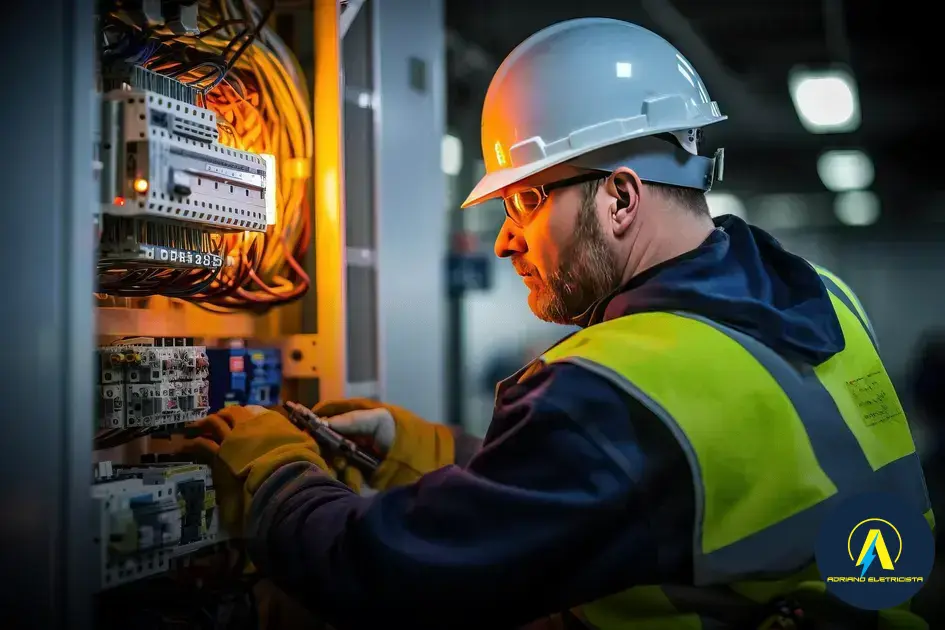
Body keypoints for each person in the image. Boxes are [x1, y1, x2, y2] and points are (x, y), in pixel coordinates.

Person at [185, 18, 931, 629]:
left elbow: (386, 578)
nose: (505, 238)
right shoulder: (818, 296)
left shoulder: (616, 390)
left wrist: (276, 475)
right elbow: (675, 482)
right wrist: (422, 451)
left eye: (527, 201)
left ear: (620, 198)